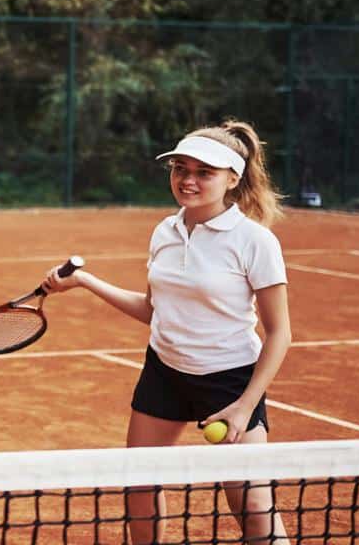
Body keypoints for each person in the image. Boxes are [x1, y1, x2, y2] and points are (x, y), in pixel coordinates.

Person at [42, 120, 291, 545]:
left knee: (251, 504)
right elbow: (153, 310)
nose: (188, 180)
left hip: (229, 380)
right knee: (140, 484)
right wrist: (86, 282)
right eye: (180, 169)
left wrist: (244, 406)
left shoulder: (255, 241)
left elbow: (279, 332)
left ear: (232, 178)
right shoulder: (165, 231)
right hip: (164, 372)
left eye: (203, 173)